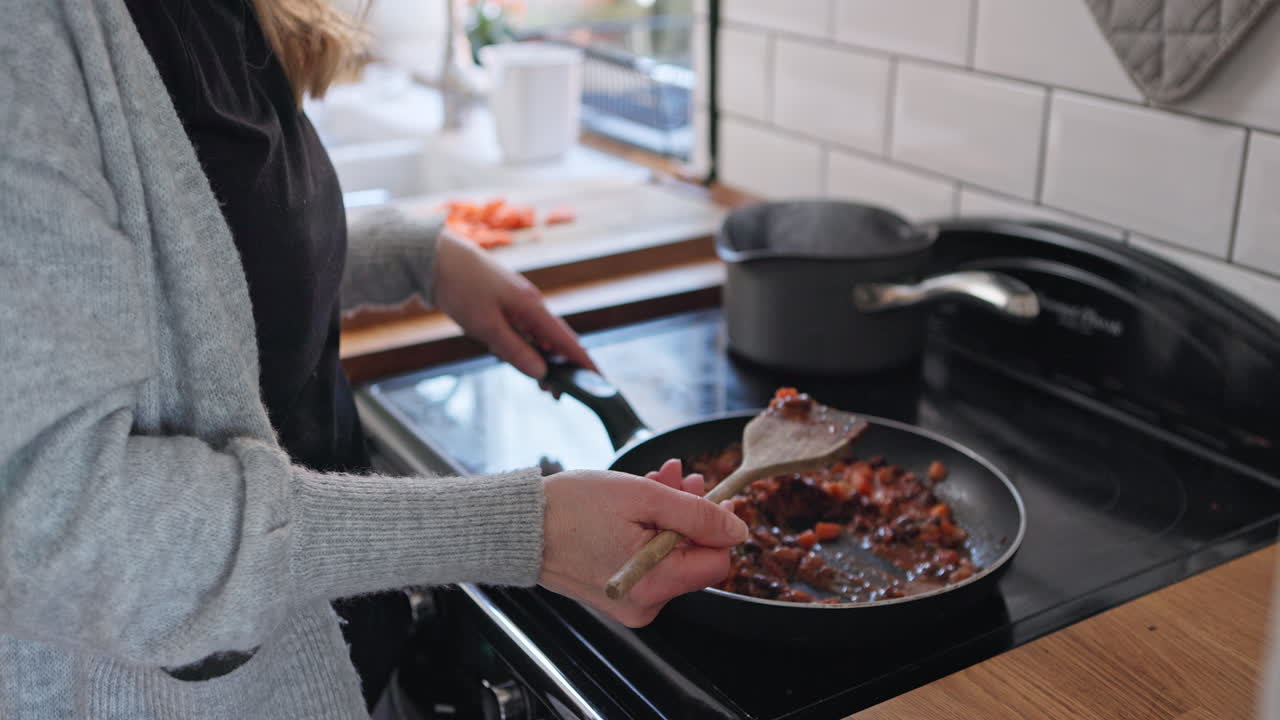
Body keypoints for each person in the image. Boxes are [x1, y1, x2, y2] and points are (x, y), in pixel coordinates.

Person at [0, 0, 748, 718]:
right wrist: (527, 531)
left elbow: (190, 255)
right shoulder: (29, 39)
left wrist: (417, 257)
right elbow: (58, 521)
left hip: (339, 651)